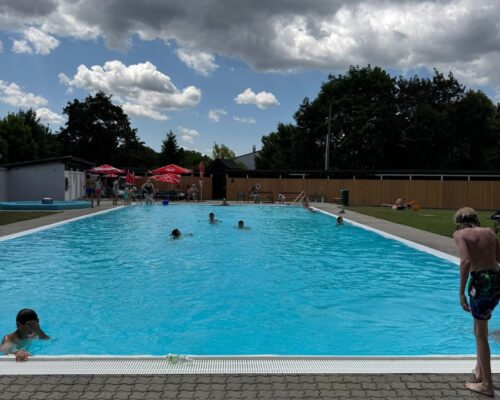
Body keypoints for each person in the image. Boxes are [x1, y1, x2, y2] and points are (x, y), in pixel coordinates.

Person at [453, 207, 500, 397]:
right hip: (496, 279)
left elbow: (465, 261)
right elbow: (499, 258)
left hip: (481, 282)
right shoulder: (489, 232)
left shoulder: (460, 234)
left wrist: (461, 292)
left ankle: (487, 385)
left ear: (458, 222)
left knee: (481, 334)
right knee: (479, 328)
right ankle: (480, 371)